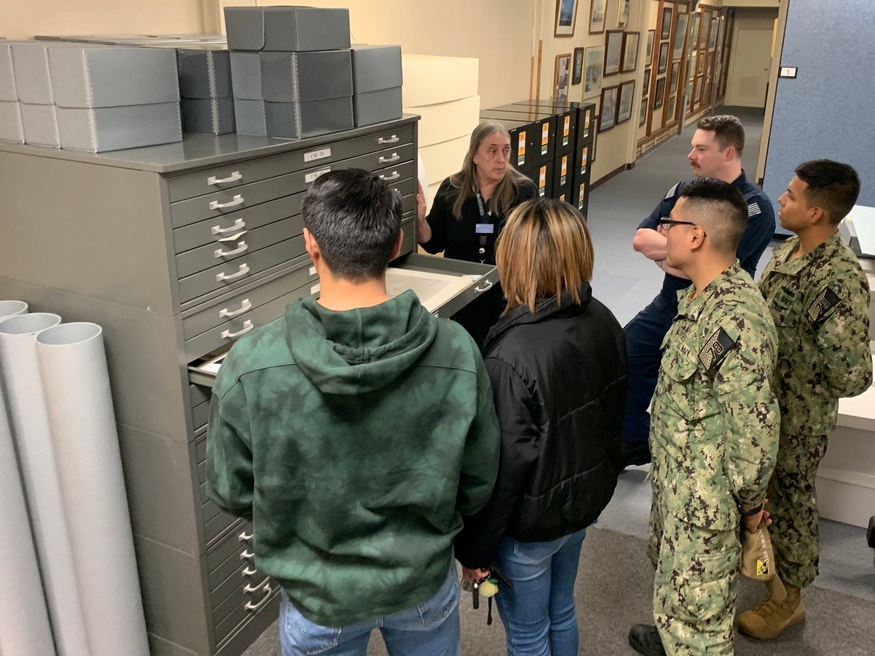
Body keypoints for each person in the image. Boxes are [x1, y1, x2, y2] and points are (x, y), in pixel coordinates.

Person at [207, 168, 501, 656]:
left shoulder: (252, 362)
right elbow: (478, 480)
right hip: (421, 579)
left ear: (309, 243)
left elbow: (231, 490)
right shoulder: (456, 351)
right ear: (397, 244)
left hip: (319, 594)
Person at [454, 199, 628, 656]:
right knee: (562, 610)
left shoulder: (510, 357)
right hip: (580, 508)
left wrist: (475, 553)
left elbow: (504, 471)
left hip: (529, 529)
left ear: (512, 259)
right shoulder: (604, 319)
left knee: (529, 635)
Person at [627, 178, 779, 656]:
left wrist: (751, 509)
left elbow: (755, 436)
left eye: (670, 223)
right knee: (676, 593)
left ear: (695, 236)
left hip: (706, 505)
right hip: (680, 486)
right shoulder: (698, 297)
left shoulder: (735, 319)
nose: (662, 231)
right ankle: (670, 632)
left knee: (702, 629)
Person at [737, 160, 873, 640]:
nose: (781, 199)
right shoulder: (792, 251)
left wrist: (798, 373)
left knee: (792, 509)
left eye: (791, 196)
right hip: (765, 409)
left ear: (816, 212)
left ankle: (788, 601)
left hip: (797, 421)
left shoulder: (836, 280)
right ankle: (763, 571)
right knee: (762, 499)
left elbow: (853, 373)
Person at [621, 114, 775, 470]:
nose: (691, 154)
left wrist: (674, 257)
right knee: (625, 356)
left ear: (729, 152)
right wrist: (679, 257)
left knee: (694, 389)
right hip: (669, 304)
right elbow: (641, 239)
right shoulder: (683, 192)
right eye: (692, 146)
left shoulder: (752, 207)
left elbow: (710, 265)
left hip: (712, 314)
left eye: (701, 148)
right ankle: (632, 439)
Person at [417, 121, 539, 347]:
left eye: (506, 150)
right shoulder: (451, 189)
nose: (501, 159)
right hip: (463, 295)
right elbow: (433, 243)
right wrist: (420, 219)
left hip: (508, 294)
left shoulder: (523, 191)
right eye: (492, 151)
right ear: (474, 155)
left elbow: (534, 248)